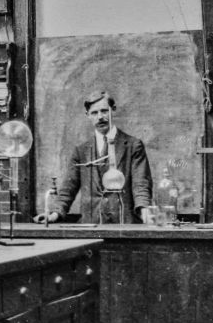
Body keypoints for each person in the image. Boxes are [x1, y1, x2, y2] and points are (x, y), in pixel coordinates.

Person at [34, 91, 152, 224]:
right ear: (88, 115)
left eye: (104, 111)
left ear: (113, 110)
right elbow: (68, 188)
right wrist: (54, 214)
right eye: (94, 113)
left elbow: (141, 184)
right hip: (90, 225)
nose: (100, 117)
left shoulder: (133, 145)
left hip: (124, 224)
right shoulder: (81, 151)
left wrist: (145, 211)